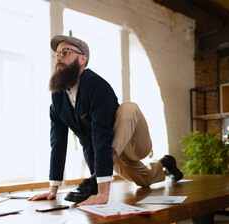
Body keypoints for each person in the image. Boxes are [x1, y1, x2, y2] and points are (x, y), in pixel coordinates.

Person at [28, 35, 183, 206]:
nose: (58, 57)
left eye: (65, 52)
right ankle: (166, 161)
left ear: (82, 59)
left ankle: (100, 171)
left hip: (133, 142)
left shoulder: (96, 85)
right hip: (107, 153)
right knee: (144, 181)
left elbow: (101, 132)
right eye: (56, 54)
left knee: (129, 107)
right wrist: (53, 188)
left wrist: (103, 192)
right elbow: (57, 142)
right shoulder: (58, 97)